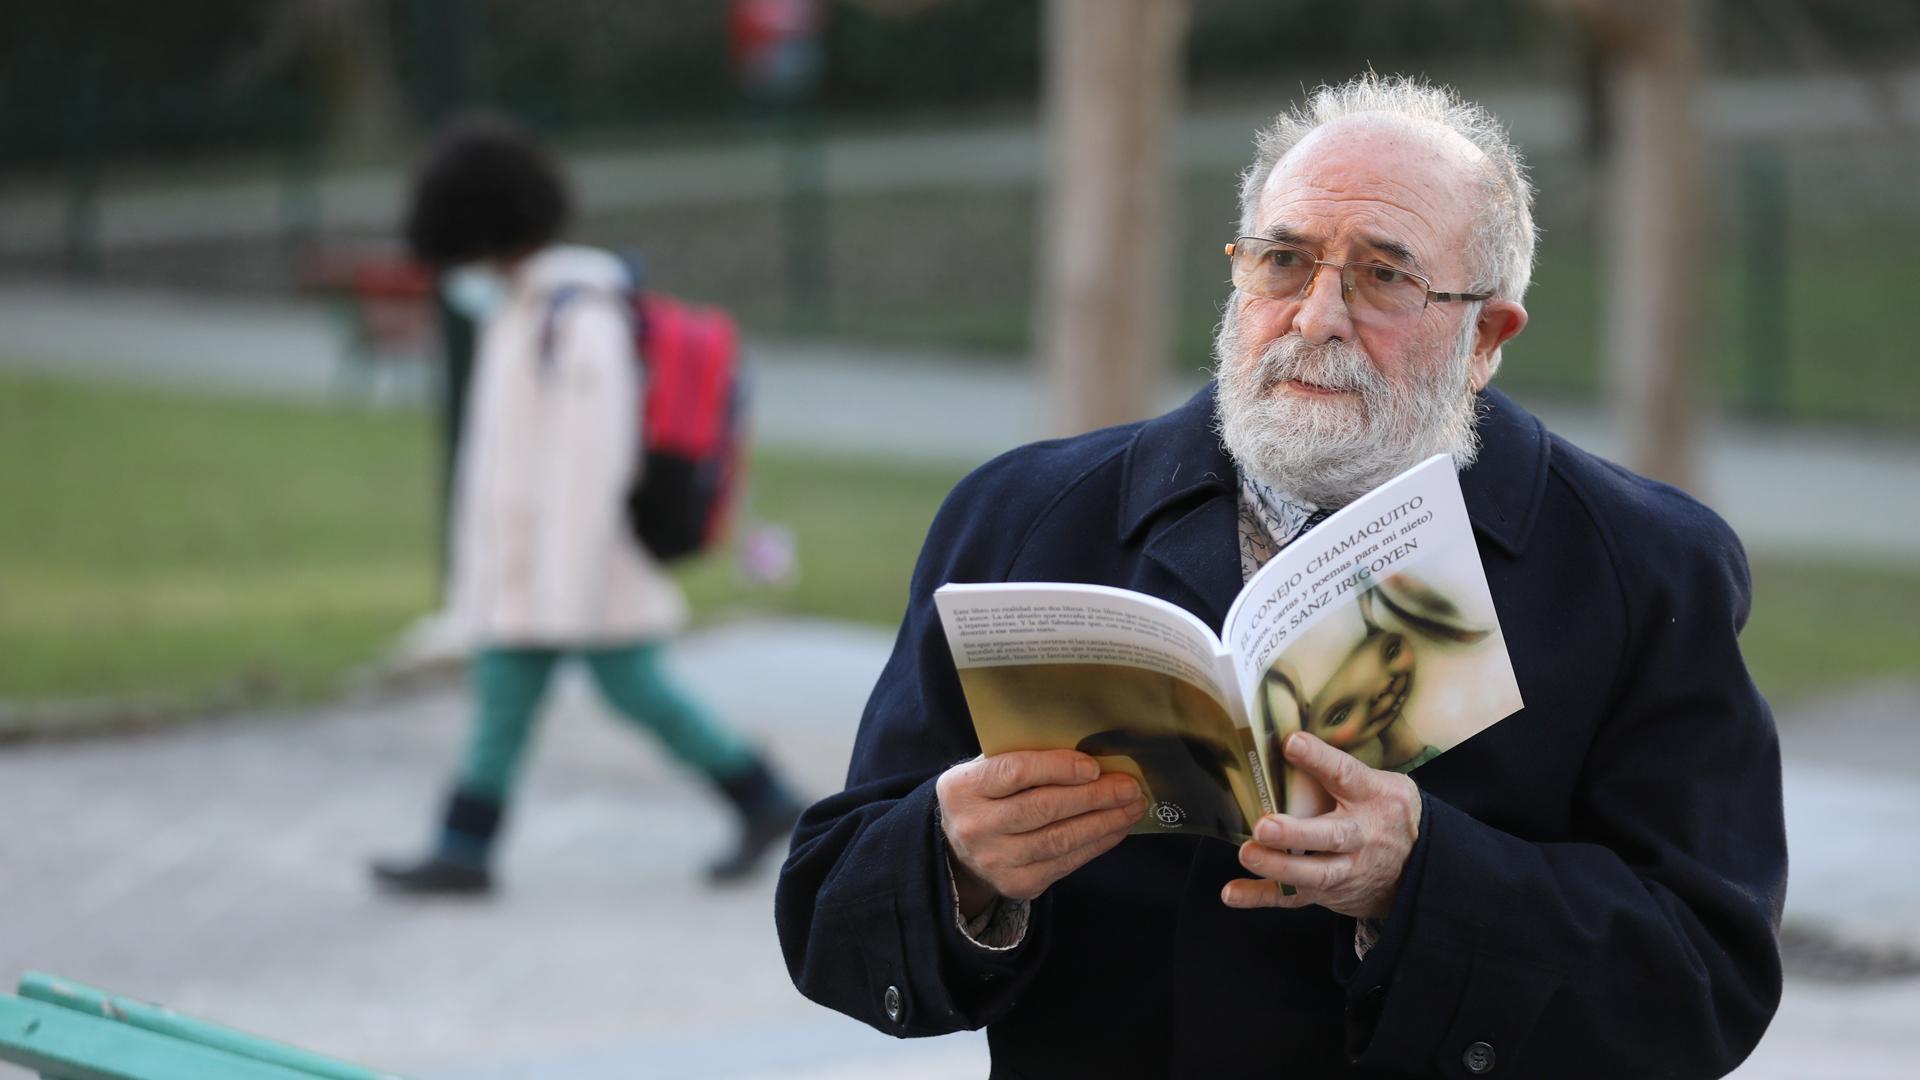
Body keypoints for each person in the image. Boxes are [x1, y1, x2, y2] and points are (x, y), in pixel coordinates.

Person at [775, 74, 1785, 1076]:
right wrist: (954, 861)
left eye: (1385, 276)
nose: (1316, 316)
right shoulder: (1022, 516)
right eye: (1284, 261)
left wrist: (1421, 877)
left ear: (1485, 337)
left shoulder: (1646, 570)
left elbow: (1704, 986)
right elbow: (830, 918)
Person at [372, 114, 802, 894]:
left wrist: (557, 596)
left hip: (581, 569)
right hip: (536, 574)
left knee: (635, 691)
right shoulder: (524, 311)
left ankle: (766, 799)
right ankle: (464, 850)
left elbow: (586, 469)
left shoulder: (579, 319)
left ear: (482, 228)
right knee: (511, 698)